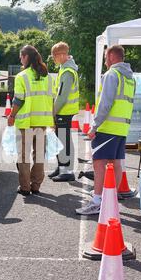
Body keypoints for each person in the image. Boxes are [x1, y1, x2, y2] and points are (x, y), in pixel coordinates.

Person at [76, 45, 135, 215]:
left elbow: (105, 103)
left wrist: (95, 126)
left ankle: (97, 201)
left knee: (99, 163)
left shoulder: (112, 74)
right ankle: (110, 199)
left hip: (107, 127)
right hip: (121, 128)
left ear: (111, 56)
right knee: (116, 163)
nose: (104, 60)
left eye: (105, 57)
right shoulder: (130, 78)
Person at [7, 45, 54, 196]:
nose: (20, 59)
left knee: (23, 156)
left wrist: (12, 115)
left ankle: (25, 187)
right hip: (42, 121)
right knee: (38, 155)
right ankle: (36, 186)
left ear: (26, 57)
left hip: (26, 122)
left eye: (21, 56)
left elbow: (18, 100)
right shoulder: (47, 76)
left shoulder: (22, 76)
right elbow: (51, 98)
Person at [48, 42, 79, 182]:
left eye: (54, 56)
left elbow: (61, 97)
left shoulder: (67, 72)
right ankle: (61, 167)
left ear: (61, 55)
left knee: (63, 141)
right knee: (61, 140)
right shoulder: (64, 68)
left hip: (64, 111)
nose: (53, 59)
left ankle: (67, 171)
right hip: (64, 111)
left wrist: (52, 113)